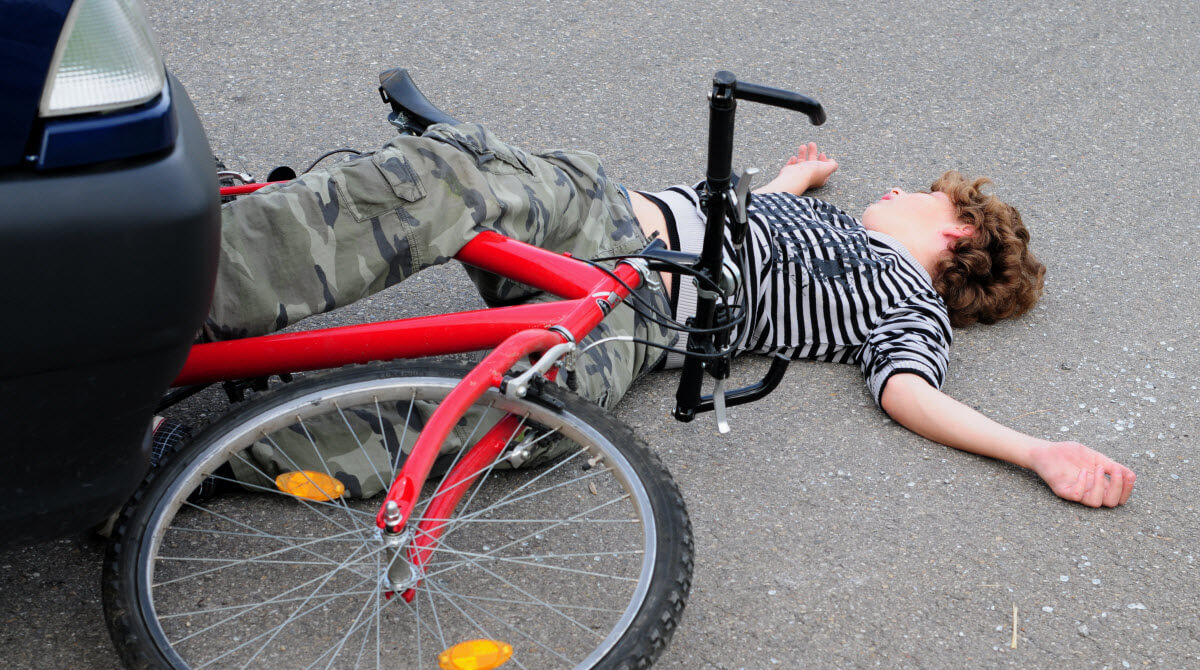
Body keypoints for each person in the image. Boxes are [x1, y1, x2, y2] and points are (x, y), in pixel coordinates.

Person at [206, 119, 1135, 508]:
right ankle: (201, 272)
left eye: (923, 195)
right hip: (599, 214)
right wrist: (793, 179)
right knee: (445, 173)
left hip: (634, 310)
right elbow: (743, 214)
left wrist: (1035, 451)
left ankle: (207, 454)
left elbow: (908, 391)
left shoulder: (905, 301)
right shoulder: (825, 218)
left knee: (532, 420)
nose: (895, 190)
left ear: (959, 233)